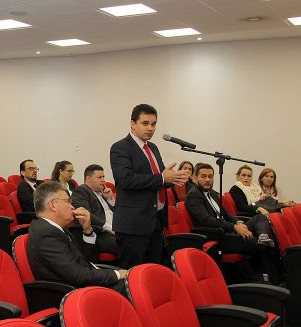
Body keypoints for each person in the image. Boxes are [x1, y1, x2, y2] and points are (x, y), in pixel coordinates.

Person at [110, 104, 189, 269]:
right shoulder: (120, 147)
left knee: (153, 271)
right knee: (133, 273)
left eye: (153, 124)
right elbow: (126, 180)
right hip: (133, 224)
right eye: (145, 123)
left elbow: (158, 179)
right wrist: (163, 178)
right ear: (133, 124)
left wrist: (173, 178)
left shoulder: (153, 148)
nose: (150, 128)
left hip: (155, 220)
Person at [26, 181, 127, 294]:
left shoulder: (56, 229)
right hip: (77, 293)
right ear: (53, 205)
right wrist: (117, 274)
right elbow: (78, 275)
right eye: (68, 202)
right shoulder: (45, 235)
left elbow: (84, 261)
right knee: (135, 285)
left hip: (88, 282)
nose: (72, 206)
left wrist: (87, 230)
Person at [185, 163, 278, 282]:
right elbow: (206, 220)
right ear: (195, 178)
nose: (208, 180)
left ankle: (263, 238)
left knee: (261, 218)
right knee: (255, 241)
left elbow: (225, 213)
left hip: (227, 229)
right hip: (216, 235)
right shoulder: (193, 195)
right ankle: (271, 279)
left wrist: (238, 222)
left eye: (210, 176)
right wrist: (234, 227)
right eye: (203, 176)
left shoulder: (212, 192)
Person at [70, 164, 119, 256]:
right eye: (99, 177)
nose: (103, 180)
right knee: (126, 245)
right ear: (88, 179)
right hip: (100, 233)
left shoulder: (103, 192)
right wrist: (109, 228)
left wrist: (110, 199)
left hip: (117, 228)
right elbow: (86, 214)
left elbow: (118, 212)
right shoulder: (81, 191)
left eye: (103, 177)